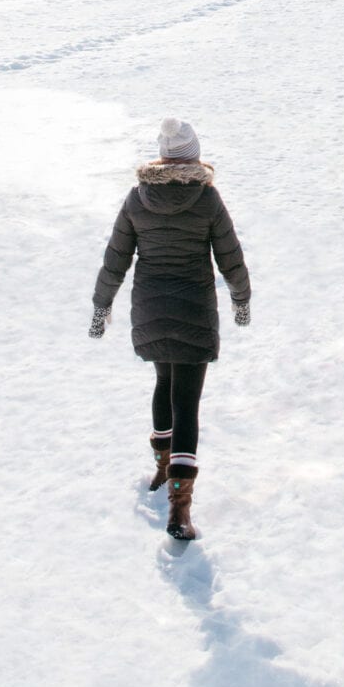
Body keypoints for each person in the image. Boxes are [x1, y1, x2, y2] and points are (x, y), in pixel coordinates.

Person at [89, 116, 250, 539]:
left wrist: (101, 305)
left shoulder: (137, 199)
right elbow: (229, 255)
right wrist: (241, 298)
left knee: (164, 383)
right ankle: (180, 509)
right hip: (194, 310)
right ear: (192, 155)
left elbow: (116, 257)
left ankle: (162, 467)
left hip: (151, 310)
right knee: (187, 404)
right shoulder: (207, 198)